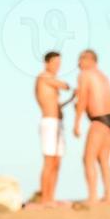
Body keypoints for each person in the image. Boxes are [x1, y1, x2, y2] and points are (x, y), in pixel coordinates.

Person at [74, 49, 110, 204]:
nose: (79, 62)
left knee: (88, 158)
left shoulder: (85, 75)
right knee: (104, 159)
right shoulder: (103, 76)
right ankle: (109, 195)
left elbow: (83, 99)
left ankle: (93, 196)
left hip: (99, 120)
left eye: (82, 59)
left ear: (92, 60)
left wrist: (77, 122)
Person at [35, 51, 71, 206]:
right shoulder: (44, 77)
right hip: (49, 123)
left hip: (58, 122)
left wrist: (72, 98)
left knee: (57, 161)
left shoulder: (51, 80)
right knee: (49, 161)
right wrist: (71, 88)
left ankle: (51, 197)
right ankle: (44, 198)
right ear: (47, 63)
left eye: (59, 63)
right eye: (55, 63)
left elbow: (58, 105)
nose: (58, 66)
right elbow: (64, 85)